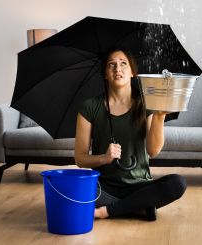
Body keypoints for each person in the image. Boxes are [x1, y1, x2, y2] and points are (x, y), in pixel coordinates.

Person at [74, 49, 187, 221]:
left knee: (177, 183)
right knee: (74, 189)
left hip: (139, 185)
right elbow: (80, 159)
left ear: (133, 72)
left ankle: (108, 211)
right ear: (105, 73)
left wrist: (159, 115)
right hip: (102, 187)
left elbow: (153, 150)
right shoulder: (89, 107)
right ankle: (137, 206)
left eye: (123, 63)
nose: (117, 69)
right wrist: (104, 158)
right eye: (111, 65)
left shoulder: (146, 103)